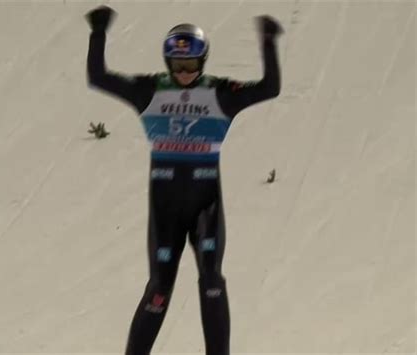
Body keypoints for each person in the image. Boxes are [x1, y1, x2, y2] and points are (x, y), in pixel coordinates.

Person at [85, 5, 282, 355]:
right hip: (166, 212)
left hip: (205, 205)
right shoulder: (150, 91)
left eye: (191, 66)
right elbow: (99, 77)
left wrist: (268, 41)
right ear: (167, 64)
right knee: (160, 287)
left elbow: (269, 88)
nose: (184, 73)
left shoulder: (220, 93)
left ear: (203, 62)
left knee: (211, 282)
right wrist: (98, 31)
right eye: (177, 66)